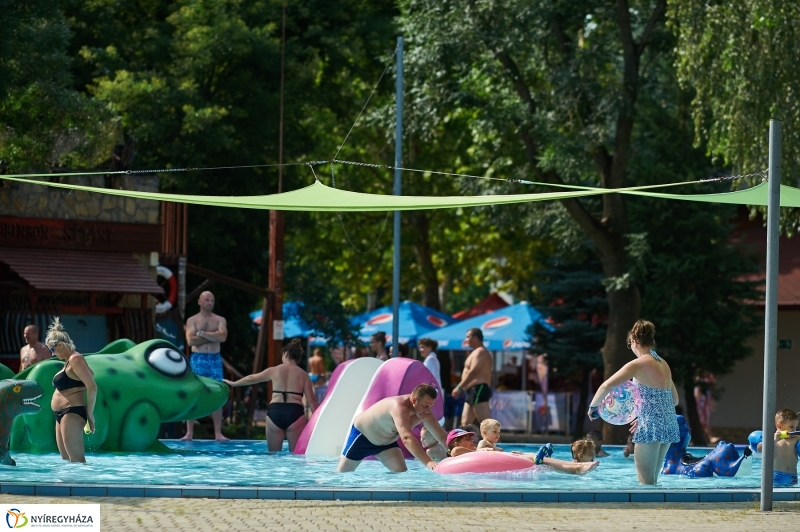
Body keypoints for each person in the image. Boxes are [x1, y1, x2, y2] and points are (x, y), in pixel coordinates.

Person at [588, 320, 679, 485]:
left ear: (635, 342)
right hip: (669, 424)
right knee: (653, 481)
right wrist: (643, 415)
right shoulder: (664, 364)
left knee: (645, 483)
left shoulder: (638, 364)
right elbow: (674, 400)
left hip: (651, 426)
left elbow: (607, 385)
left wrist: (593, 407)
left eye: (630, 344)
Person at [224, 339, 318, 452]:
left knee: (273, 457)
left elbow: (251, 378)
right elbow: (311, 401)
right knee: (297, 458)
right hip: (295, 413)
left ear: (285, 354)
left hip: (275, 412)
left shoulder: (274, 370)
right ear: (297, 357)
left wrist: (234, 383)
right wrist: (319, 420)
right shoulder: (304, 375)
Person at [337, 384, 449, 472]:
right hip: (362, 438)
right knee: (343, 475)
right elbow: (406, 438)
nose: (428, 410)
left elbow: (441, 436)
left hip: (387, 444)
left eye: (430, 406)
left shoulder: (425, 413)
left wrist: (453, 454)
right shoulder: (399, 407)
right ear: (414, 400)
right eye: (425, 406)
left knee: (401, 473)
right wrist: (428, 463)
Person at [45, 318, 97, 462]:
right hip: (61, 414)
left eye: (52, 349)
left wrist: (90, 414)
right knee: (66, 459)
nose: (52, 354)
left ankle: (83, 484)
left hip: (72, 412)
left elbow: (92, 386)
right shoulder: (68, 362)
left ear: (60, 345)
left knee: (76, 460)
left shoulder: (76, 359)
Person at [183, 291, 229, 441]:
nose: (210, 303)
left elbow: (222, 337)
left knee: (217, 393)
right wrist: (212, 335)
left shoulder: (220, 319)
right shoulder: (192, 320)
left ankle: (218, 433)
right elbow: (190, 341)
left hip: (214, 360)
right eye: (207, 300)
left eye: (212, 300)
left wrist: (201, 334)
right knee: (193, 392)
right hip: (198, 358)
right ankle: (189, 432)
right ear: (199, 302)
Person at [446, 429, 598, 474]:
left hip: (500, 459)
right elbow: (456, 452)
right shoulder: (456, 451)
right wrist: (481, 449)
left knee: (532, 457)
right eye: (467, 438)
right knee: (537, 459)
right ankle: (577, 467)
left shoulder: (471, 451)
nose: (471, 440)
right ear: (456, 442)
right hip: (494, 461)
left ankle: (577, 466)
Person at [452, 328, 493, 426]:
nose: (466, 340)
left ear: (475, 338)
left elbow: (473, 372)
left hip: (479, 389)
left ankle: (497, 441)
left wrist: (459, 387)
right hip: (472, 390)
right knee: (465, 423)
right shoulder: (475, 352)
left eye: (468, 337)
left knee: (486, 424)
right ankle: (465, 441)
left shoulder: (481, 352)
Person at [755, 408, 799, 486]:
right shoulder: (772, 438)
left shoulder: (796, 438)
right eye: (791, 427)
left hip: (792, 477)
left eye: (796, 427)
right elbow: (759, 448)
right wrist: (774, 440)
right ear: (779, 425)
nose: (794, 430)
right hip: (776, 476)